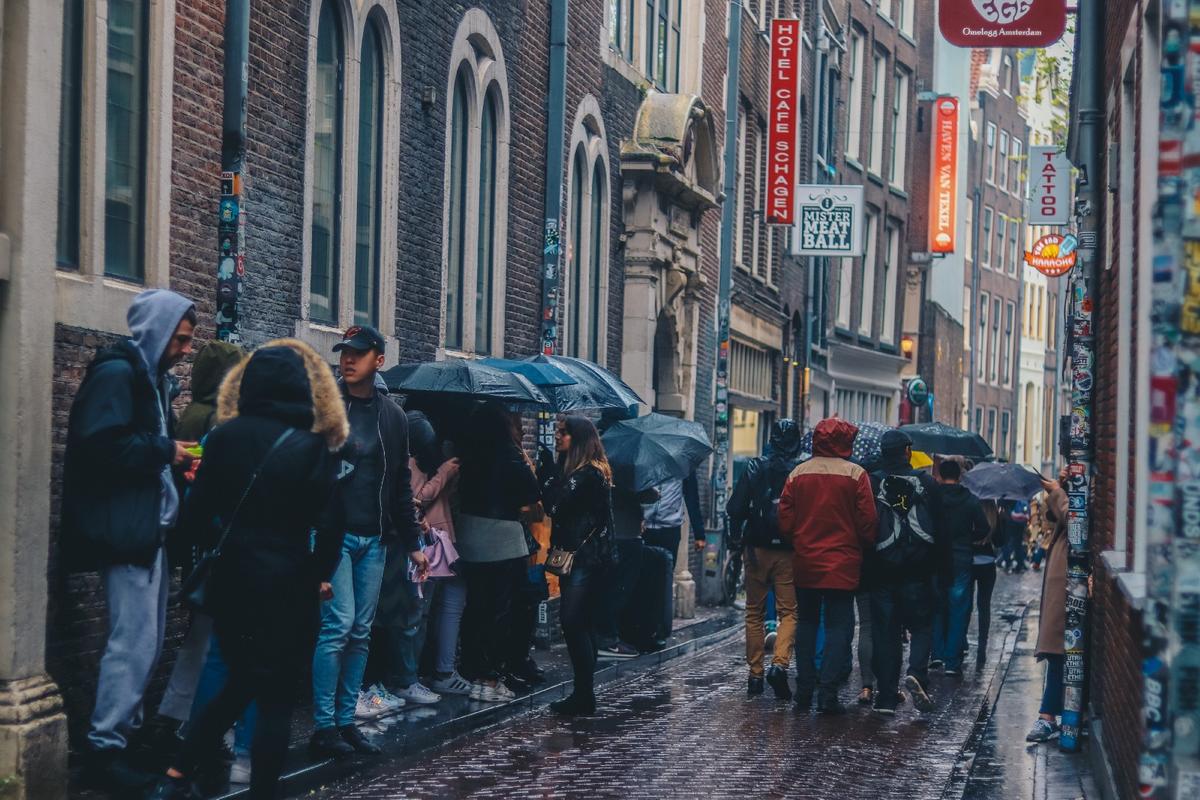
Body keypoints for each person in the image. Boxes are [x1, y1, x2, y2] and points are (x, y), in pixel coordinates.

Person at [146, 339, 349, 799]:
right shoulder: (312, 446)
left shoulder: (226, 437)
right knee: (274, 698)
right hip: (290, 586)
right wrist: (317, 572)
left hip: (235, 582)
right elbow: (333, 524)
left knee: (240, 680)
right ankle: (257, 790)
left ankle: (178, 773)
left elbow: (196, 517)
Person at [62, 289, 198, 792]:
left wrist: (173, 458)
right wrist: (168, 451)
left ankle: (124, 738)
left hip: (148, 530)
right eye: (181, 340)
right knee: (132, 642)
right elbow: (101, 445)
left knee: (148, 640)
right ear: (157, 332)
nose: (186, 349)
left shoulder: (152, 380)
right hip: (129, 531)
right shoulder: (119, 375)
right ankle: (105, 748)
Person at [310, 325, 426, 758]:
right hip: (333, 537)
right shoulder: (325, 405)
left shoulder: (392, 417)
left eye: (359, 353)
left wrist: (413, 543)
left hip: (375, 540)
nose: (348, 359)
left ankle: (345, 721)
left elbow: (398, 483)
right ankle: (323, 727)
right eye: (344, 352)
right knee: (337, 627)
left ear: (379, 360)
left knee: (360, 631)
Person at [778, 418, 877, 714]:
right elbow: (868, 524)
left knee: (807, 624)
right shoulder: (856, 474)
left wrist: (800, 539)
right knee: (839, 627)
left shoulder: (798, 473)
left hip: (806, 562)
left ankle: (805, 690)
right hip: (843, 565)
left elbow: (784, 520)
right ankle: (828, 692)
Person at [373, 410, 462, 702]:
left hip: (432, 542)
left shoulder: (420, 460)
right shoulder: (408, 463)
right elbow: (415, 500)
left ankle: (408, 676)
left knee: (420, 615)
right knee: (412, 613)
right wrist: (443, 474)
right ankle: (403, 679)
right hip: (416, 546)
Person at [455, 403, 541, 702]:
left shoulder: (467, 455)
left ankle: (472, 672)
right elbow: (533, 499)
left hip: (469, 536)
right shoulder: (510, 455)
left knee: (475, 607)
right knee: (500, 611)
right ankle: (489, 678)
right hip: (502, 539)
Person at [541, 415, 618, 715]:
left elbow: (554, 504)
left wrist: (546, 470)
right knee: (581, 624)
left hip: (585, 559)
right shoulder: (581, 472)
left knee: (573, 622)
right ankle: (583, 693)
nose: (558, 437)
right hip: (583, 558)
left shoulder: (587, 475)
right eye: (558, 431)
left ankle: (584, 694)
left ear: (580, 439)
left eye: (564, 433)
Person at [865, 430, 945, 716]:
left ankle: (886, 697)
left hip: (882, 570)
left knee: (885, 632)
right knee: (922, 625)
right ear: (907, 452)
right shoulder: (926, 483)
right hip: (918, 569)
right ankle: (917, 675)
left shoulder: (872, 483)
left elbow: (864, 527)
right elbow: (940, 527)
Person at [727, 419, 803, 700]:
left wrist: (736, 539)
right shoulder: (800, 471)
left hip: (757, 547)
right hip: (788, 548)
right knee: (789, 612)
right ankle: (780, 664)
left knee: (754, 612)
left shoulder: (754, 466)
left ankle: (755, 674)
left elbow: (735, 507)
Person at [936, 460, 993, 675]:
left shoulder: (933, 497)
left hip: (936, 557)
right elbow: (984, 528)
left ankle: (937, 654)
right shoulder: (969, 500)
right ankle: (952, 661)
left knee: (937, 606)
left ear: (940, 476)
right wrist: (968, 540)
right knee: (958, 608)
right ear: (959, 476)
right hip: (960, 557)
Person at [1027, 475, 1070, 743]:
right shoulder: (1075, 486)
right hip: (1062, 573)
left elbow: (1077, 522)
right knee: (1059, 651)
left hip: (1068, 576)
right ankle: (1050, 715)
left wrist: (1058, 492)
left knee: (1059, 650)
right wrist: (1060, 490)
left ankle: (1048, 717)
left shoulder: (1092, 486)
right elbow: (1054, 519)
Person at [642, 470, 706, 571]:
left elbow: (692, 498)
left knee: (666, 574)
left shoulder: (683, 462)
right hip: (644, 528)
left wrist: (699, 535)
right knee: (644, 574)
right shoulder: (647, 459)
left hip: (670, 530)